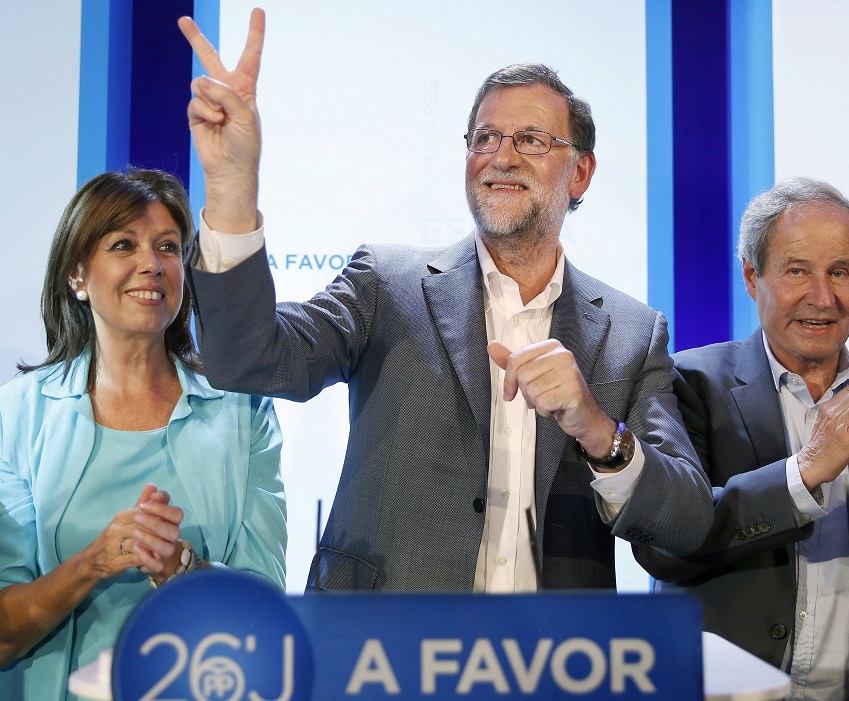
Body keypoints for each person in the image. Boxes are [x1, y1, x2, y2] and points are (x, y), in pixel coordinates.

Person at [177, 9, 712, 592]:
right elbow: (248, 357)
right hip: (383, 657)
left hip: (550, 666)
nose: (501, 157)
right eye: (485, 137)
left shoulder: (632, 333)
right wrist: (232, 189)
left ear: (580, 173)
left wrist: (596, 429)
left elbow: (687, 522)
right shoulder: (387, 283)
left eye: (531, 140)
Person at [639, 177, 849, 700]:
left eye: (841, 272)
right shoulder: (688, 384)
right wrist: (804, 472)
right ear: (751, 277)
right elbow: (663, 546)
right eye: (798, 271)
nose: (822, 297)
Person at [0, 169, 287, 700]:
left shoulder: (242, 409)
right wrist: (94, 563)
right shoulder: (17, 412)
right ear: (77, 275)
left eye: (168, 247)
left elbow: (265, 607)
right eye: (123, 244)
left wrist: (182, 569)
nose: (151, 264)